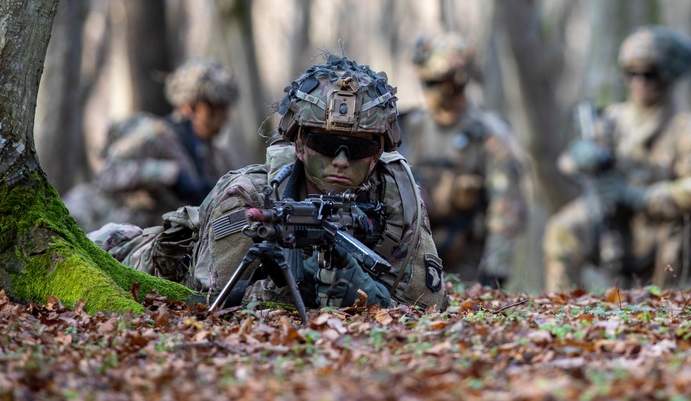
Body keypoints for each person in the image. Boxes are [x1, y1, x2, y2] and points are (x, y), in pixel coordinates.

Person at [91, 53, 447, 311]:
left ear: (377, 153)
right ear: (300, 145)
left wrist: (361, 288)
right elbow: (217, 301)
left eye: (358, 148)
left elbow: (427, 307)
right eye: (324, 144)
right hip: (139, 259)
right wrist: (307, 279)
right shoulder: (249, 195)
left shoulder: (398, 200)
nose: (340, 160)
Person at [543, 26, 691, 291]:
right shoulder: (613, 119)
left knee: (674, 250)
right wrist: (580, 156)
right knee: (562, 229)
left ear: (667, 75)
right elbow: (567, 163)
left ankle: (668, 315)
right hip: (615, 226)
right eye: (632, 73)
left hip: (664, 231)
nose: (640, 81)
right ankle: (560, 314)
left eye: (649, 74)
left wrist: (638, 197)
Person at [398, 33, 526, 288]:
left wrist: (494, 272)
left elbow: (507, 204)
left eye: (436, 82)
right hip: (408, 259)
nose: (431, 90)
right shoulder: (408, 127)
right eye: (427, 82)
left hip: (467, 265)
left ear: (457, 82)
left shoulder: (488, 134)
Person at [64, 58, 240, 231]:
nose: (224, 116)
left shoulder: (216, 156)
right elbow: (108, 174)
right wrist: (169, 174)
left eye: (225, 108)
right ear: (189, 107)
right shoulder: (154, 135)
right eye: (213, 108)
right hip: (98, 225)